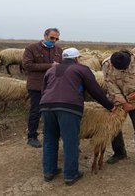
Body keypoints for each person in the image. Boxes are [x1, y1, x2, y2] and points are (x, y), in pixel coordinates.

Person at [39, 47, 115, 185]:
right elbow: (95, 91)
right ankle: (70, 174)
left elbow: (44, 89)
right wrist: (110, 106)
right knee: (70, 140)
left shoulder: (50, 70)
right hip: (68, 107)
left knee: (50, 139)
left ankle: (49, 171)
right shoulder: (82, 69)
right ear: (76, 59)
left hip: (46, 106)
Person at [102, 49, 135, 171]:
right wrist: (123, 103)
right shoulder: (107, 64)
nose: (122, 71)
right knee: (114, 127)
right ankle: (119, 152)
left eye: (124, 69)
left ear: (129, 61)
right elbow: (111, 85)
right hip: (116, 99)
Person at [23, 28, 63, 148]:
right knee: (36, 110)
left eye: (56, 39)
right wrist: (50, 66)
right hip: (37, 85)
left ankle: (49, 132)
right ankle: (32, 136)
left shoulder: (58, 50)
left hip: (53, 86)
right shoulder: (31, 48)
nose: (54, 40)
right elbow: (27, 65)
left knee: (52, 110)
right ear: (45, 36)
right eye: (52, 38)